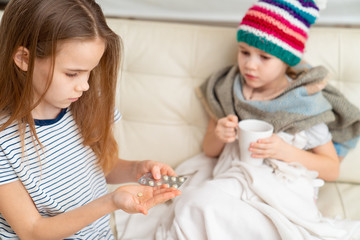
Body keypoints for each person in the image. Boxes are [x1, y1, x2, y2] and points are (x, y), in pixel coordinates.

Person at [155, 0, 360, 239]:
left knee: (235, 216)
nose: (250, 65)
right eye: (244, 52)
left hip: (283, 188)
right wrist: (220, 134)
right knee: (196, 205)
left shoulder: (304, 103)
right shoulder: (229, 90)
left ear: (287, 61)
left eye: (264, 57)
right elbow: (209, 150)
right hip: (233, 178)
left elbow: (331, 168)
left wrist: (284, 151)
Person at [0, 0, 181, 239]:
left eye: (90, 71)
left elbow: (96, 167)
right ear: (24, 58)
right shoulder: (5, 139)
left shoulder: (85, 102)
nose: (84, 85)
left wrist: (137, 169)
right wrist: (111, 201)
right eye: (72, 73)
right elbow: (33, 231)